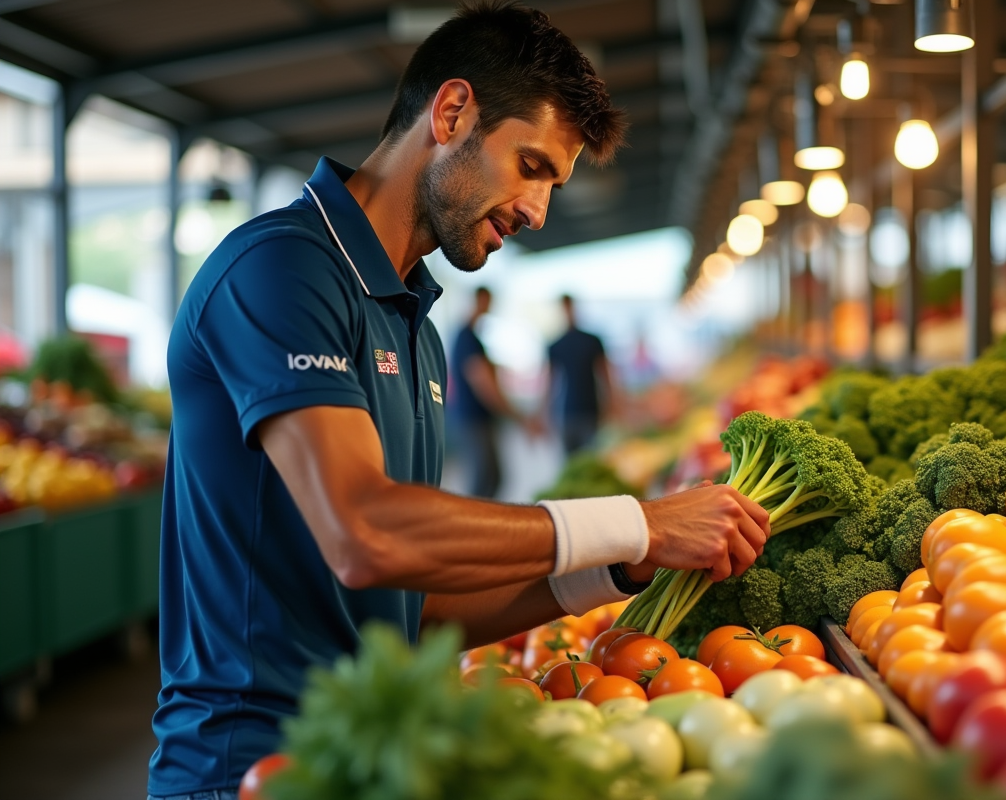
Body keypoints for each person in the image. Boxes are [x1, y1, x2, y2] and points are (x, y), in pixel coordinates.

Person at [147, 3, 771, 799]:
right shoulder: (280, 271)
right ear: (451, 114)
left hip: (374, 753)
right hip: (246, 769)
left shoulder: (416, 326)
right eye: (532, 166)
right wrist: (635, 518)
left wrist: (620, 565)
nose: (537, 211)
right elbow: (365, 531)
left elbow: (418, 604)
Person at [449, 285, 531, 497]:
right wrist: (513, 414)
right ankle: (473, 527)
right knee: (485, 478)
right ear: (479, 301)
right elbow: (483, 383)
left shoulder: (470, 337)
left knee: (491, 477)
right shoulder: (467, 337)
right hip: (474, 418)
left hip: (477, 418)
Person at [545, 294, 613, 454]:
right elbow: (550, 381)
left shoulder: (592, 341)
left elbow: (605, 374)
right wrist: (545, 413)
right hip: (565, 413)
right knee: (570, 461)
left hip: (590, 409)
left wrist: (611, 404)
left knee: (591, 457)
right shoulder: (555, 345)